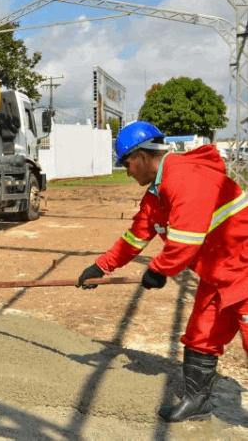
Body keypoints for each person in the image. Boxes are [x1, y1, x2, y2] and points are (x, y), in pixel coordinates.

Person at [76, 121, 248, 423]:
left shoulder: (185, 177)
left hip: (244, 271)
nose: (127, 172)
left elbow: (187, 239)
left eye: (127, 163)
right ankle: (197, 402)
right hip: (218, 274)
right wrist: (100, 267)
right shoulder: (155, 197)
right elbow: (135, 238)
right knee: (200, 337)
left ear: (142, 156)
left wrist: (159, 270)